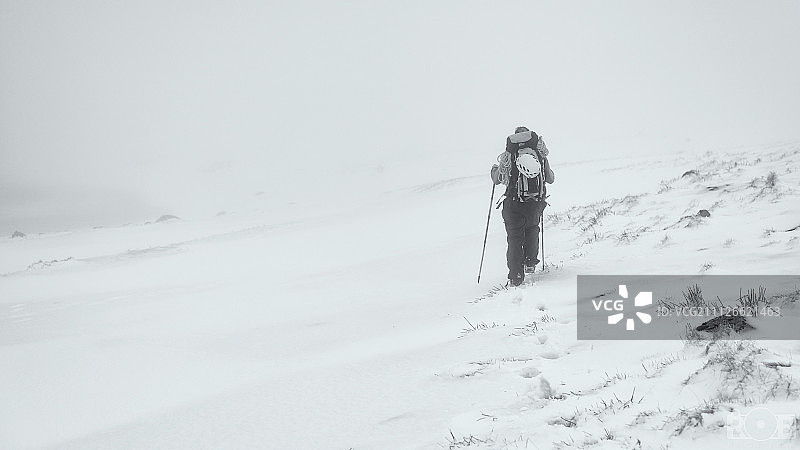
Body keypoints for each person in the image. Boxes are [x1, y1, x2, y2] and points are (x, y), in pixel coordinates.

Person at [490, 126, 555, 286]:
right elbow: (550, 179)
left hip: (514, 204)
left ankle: (516, 276)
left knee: (515, 238)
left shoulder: (509, 155)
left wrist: (494, 170)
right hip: (535, 204)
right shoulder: (539, 155)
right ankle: (530, 262)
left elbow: (497, 179)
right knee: (532, 229)